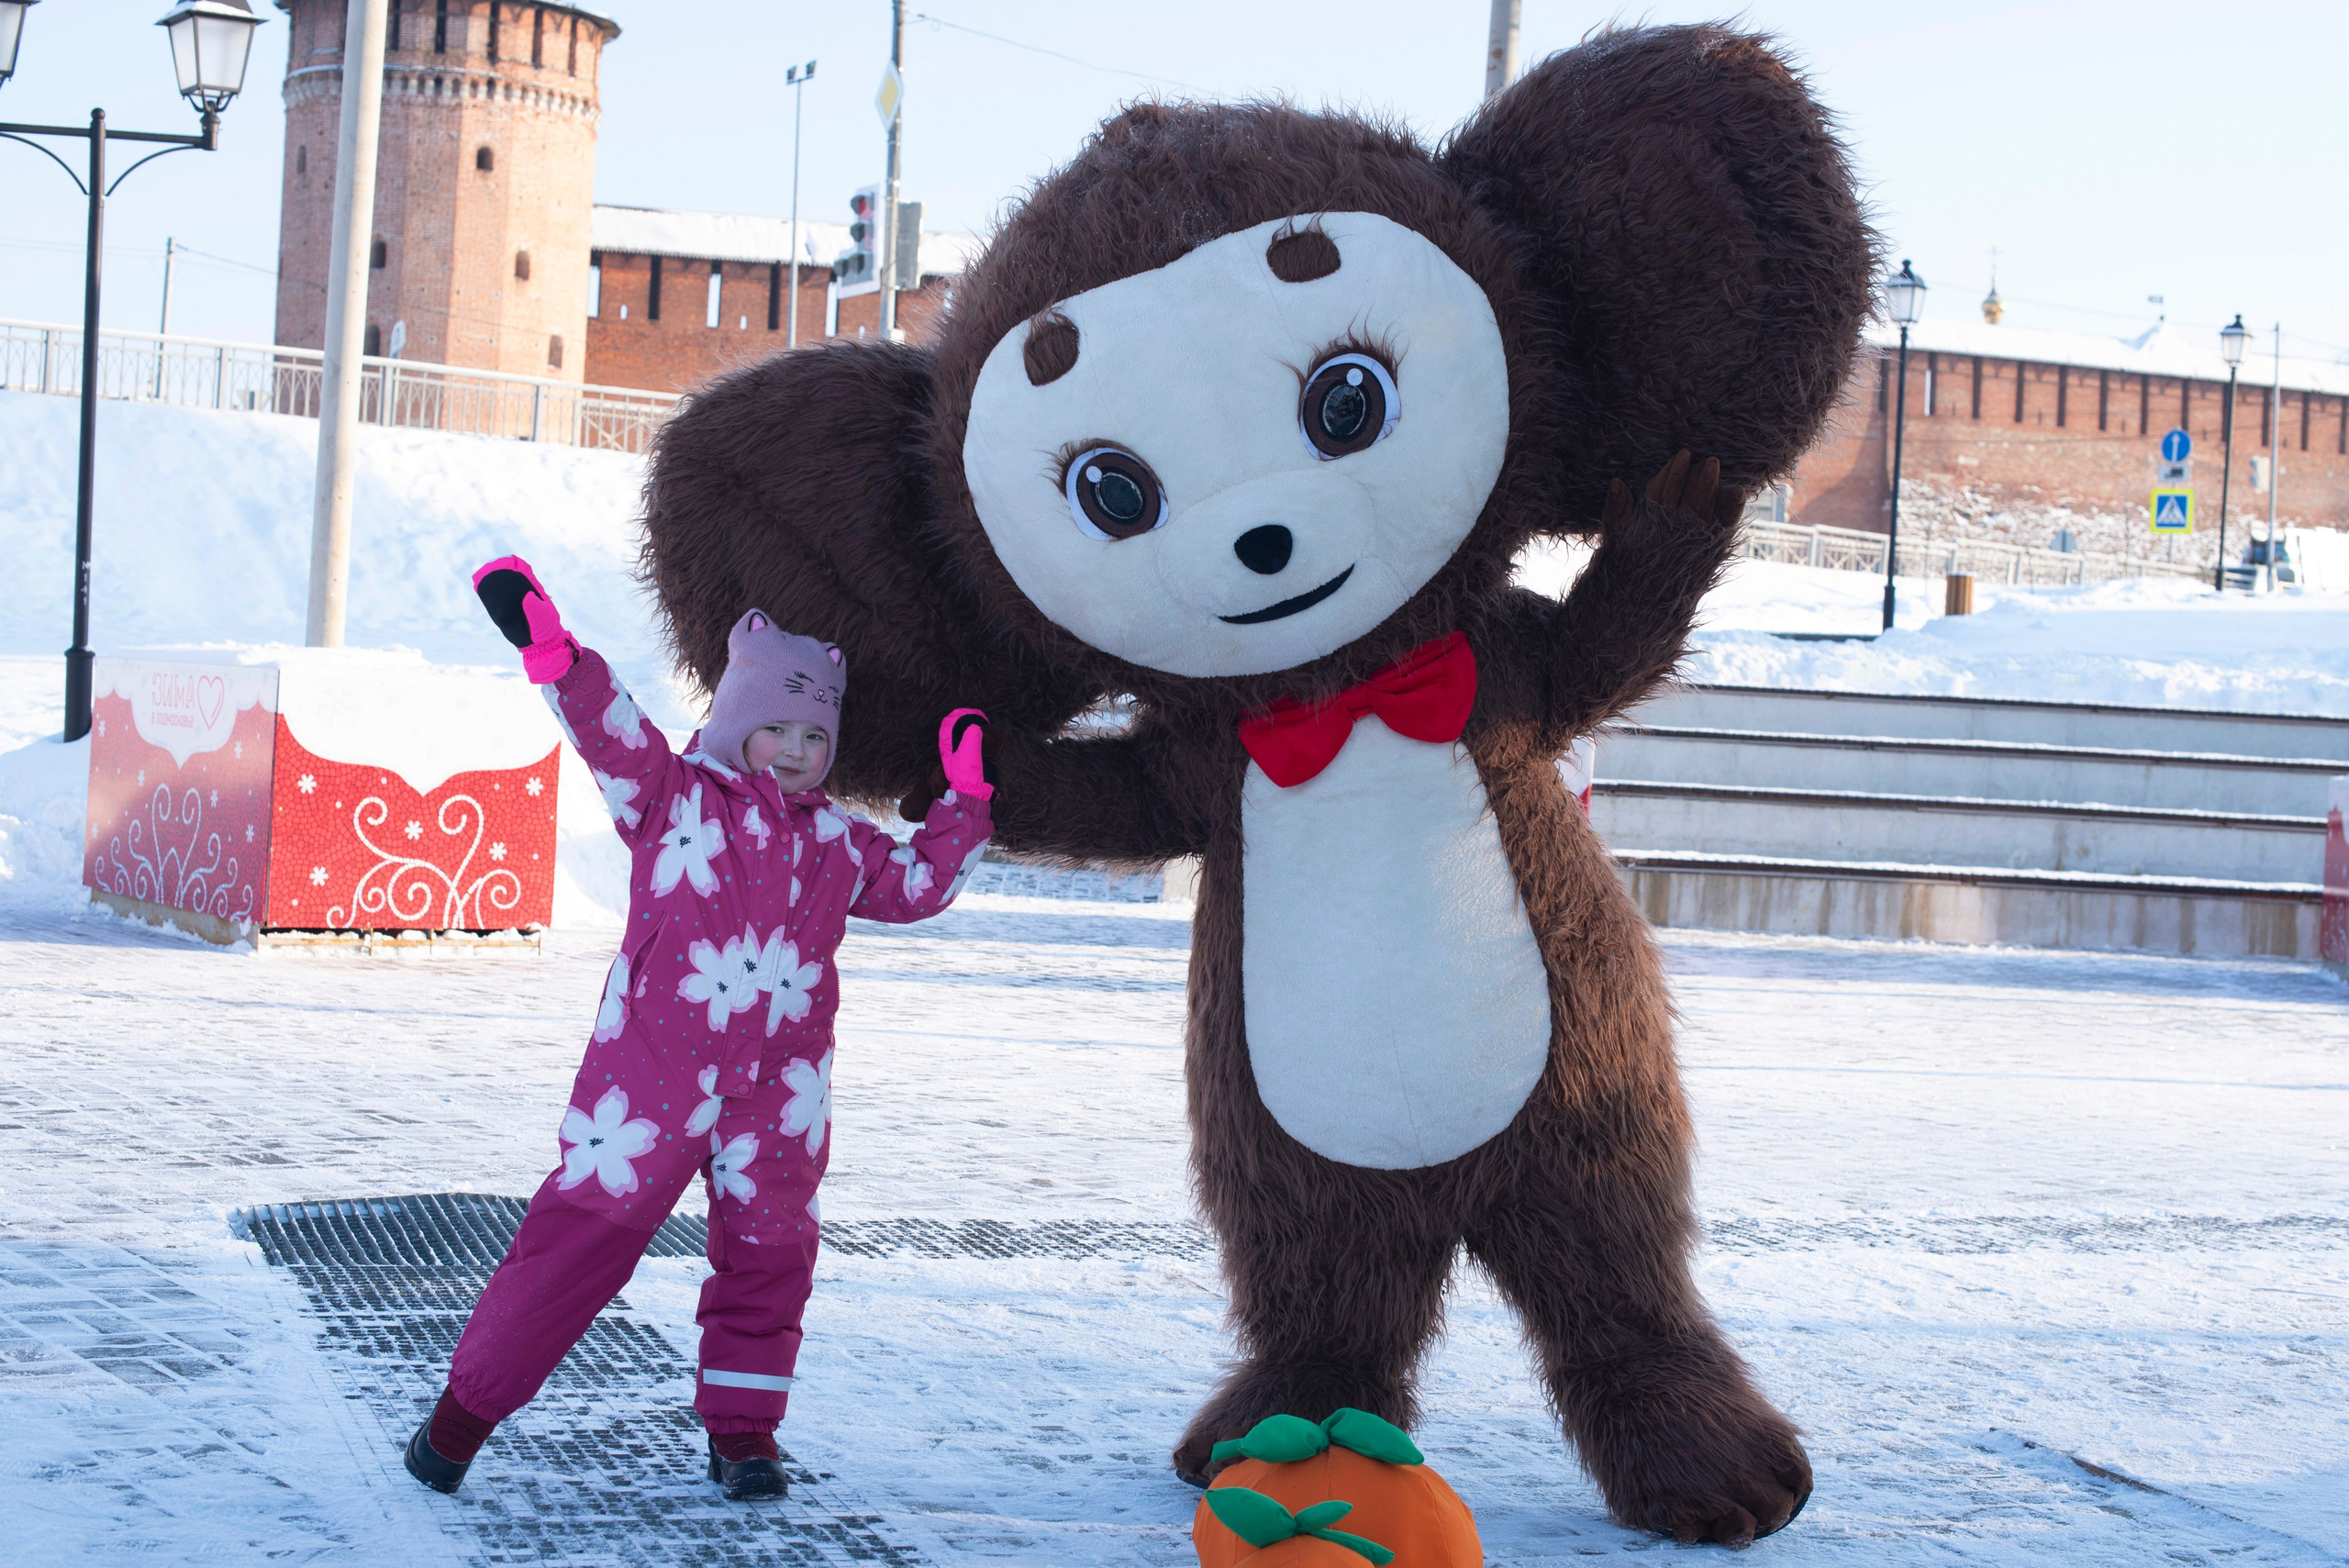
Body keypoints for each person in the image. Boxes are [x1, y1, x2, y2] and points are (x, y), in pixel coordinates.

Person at [403, 555, 995, 1501]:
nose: (797, 750)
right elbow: (613, 735)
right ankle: (460, 1417)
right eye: (775, 728)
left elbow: (917, 887)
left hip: (779, 1092)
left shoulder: (838, 842)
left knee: (771, 1254)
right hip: (647, 1083)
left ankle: (745, 1432)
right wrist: (558, 655)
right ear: (733, 722)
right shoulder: (674, 799)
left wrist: (966, 802)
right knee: (578, 1243)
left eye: (814, 733)